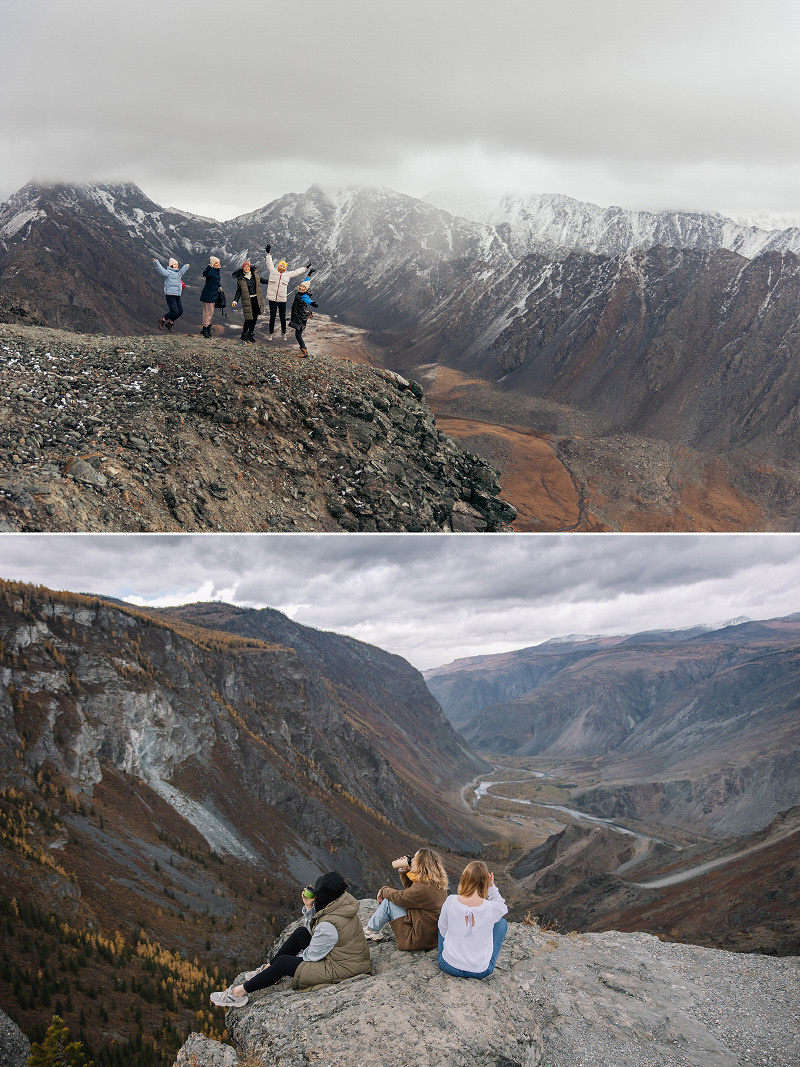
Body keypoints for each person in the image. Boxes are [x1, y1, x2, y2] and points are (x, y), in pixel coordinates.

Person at [209, 872, 370, 1007]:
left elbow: (311, 956)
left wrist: (283, 966)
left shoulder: (328, 925)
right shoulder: (342, 902)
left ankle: (237, 994)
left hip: (344, 968)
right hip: (348, 958)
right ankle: (268, 970)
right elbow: (317, 932)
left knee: (284, 963)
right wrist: (309, 908)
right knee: (301, 933)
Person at [364, 848, 448, 951]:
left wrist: (383, 890)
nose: (411, 860)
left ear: (422, 863)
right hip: (431, 937)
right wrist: (404, 872)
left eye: (415, 858)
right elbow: (412, 896)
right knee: (393, 899)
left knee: (389, 902)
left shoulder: (422, 888)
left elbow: (401, 897)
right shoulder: (435, 882)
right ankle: (372, 929)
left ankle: (371, 931)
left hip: (417, 940)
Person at [437, 860, 508, 979]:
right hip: (479, 971)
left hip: (448, 965)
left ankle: (450, 954)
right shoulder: (491, 908)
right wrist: (491, 886)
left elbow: (443, 931)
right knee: (501, 923)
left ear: (464, 879)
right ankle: (482, 961)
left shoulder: (451, 901)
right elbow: (502, 906)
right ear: (486, 882)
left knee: (442, 924)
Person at [263, 243, 313, 341]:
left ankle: (284, 333)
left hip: (282, 299)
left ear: (285, 268)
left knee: (282, 317)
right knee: (272, 317)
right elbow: (269, 264)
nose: (281, 267)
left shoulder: (287, 275)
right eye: (280, 266)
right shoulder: (273, 271)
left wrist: (305, 268)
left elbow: (296, 272)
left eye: (283, 266)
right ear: (278, 267)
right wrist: (268, 253)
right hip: (272, 298)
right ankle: (271, 334)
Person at [230, 258, 268, 343]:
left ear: (250, 267)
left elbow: (264, 281)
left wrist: (273, 281)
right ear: (242, 268)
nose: (246, 268)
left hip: (256, 299)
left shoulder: (255, 276)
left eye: (248, 266)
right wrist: (235, 301)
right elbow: (238, 291)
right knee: (248, 318)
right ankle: (244, 334)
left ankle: (250, 333)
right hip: (248, 300)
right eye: (244, 267)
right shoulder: (241, 279)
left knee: (254, 318)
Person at [153, 257, 189, 332]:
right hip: (170, 295)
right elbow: (161, 270)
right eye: (175, 264)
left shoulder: (178, 274)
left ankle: (170, 323)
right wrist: (156, 262)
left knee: (180, 311)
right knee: (174, 311)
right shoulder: (168, 273)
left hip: (177, 295)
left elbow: (182, 271)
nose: (176, 266)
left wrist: (186, 266)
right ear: (171, 265)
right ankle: (162, 320)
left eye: (177, 264)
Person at [288, 279, 317, 357]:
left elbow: (307, 300)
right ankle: (308, 314)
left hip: (300, 318)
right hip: (298, 315)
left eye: (303, 287)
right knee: (298, 334)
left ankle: (304, 352)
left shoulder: (304, 296)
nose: (301, 288)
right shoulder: (299, 292)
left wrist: (312, 303)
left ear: (306, 289)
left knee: (298, 335)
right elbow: (306, 281)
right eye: (301, 286)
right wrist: (309, 275)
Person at [199, 256, 222, 338]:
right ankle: (206, 329)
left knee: (208, 312)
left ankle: (205, 328)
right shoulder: (212, 271)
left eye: (218, 263)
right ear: (213, 264)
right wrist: (209, 266)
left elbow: (214, 281)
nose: (218, 264)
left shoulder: (216, 271)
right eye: (216, 263)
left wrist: (219, 286)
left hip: (211, 294)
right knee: (209, 312)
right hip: (209, 294)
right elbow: (205, 274)